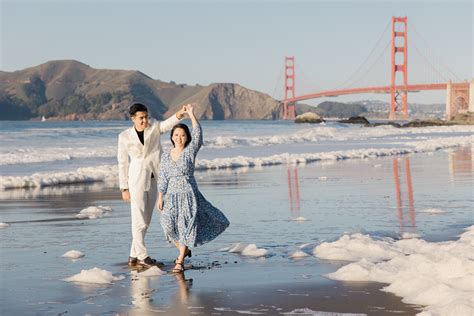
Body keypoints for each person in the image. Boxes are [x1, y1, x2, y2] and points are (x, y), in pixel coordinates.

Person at [157, 104, 230, 273]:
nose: (179, 137)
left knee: (184, 227)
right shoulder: (166, 156)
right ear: (171, 137)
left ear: (187, 137)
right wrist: (160, 196)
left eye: (182, 135)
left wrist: (190, 114)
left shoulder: (190, 151)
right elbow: (163, 176)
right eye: (176, 134)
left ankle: (180, 261)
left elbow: (198, 134)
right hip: (171, 195)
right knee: (167, 225)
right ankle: (185, 249)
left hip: (188, 194)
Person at [118, 102, 186, 268]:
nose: (145, 121)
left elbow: (166, 125)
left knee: (146, 220)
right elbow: (122, 163)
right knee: (138, 219)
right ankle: (142, 256)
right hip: (136, 179)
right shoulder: (124, 136)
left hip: (156, 177)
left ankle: (133, 255)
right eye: (141, 118)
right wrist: (124, 187)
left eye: (146, 117)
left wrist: (179, 114)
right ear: (133, 118)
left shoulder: (154, 126)